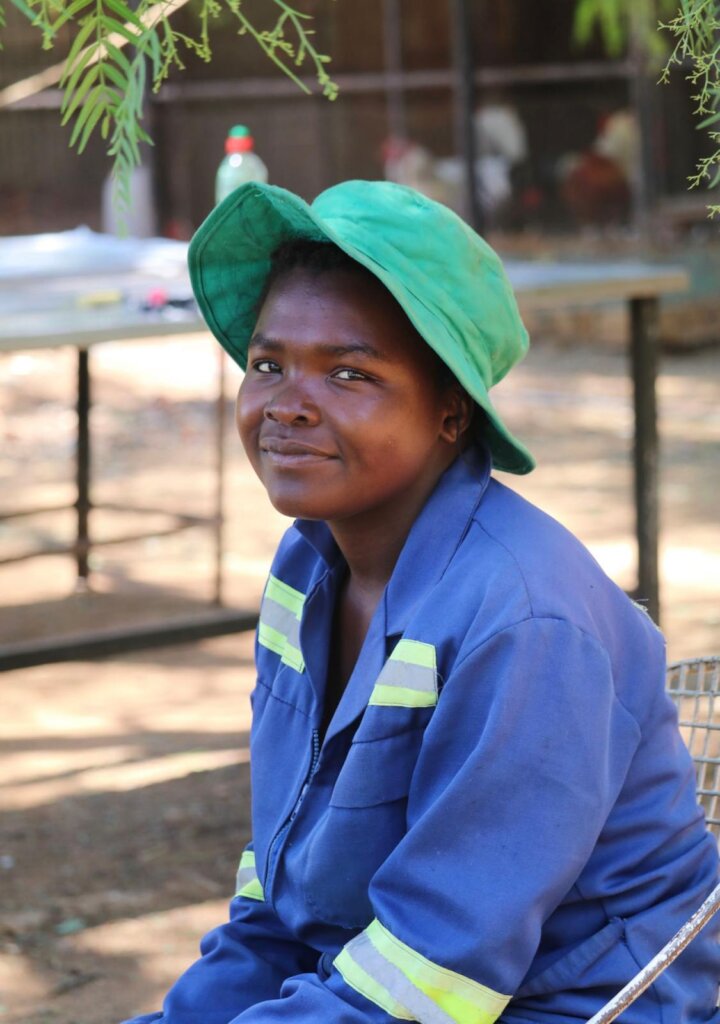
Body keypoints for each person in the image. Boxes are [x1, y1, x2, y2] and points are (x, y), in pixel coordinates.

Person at [123, 180, 720, 1024]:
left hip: (575, 1003)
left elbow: (438, 968)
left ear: (451, 412)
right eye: (268, 364)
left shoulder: (522, 621)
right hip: (376, 981)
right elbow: (279, 907)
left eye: (349, 373)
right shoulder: (305, 567)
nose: (286, 405)